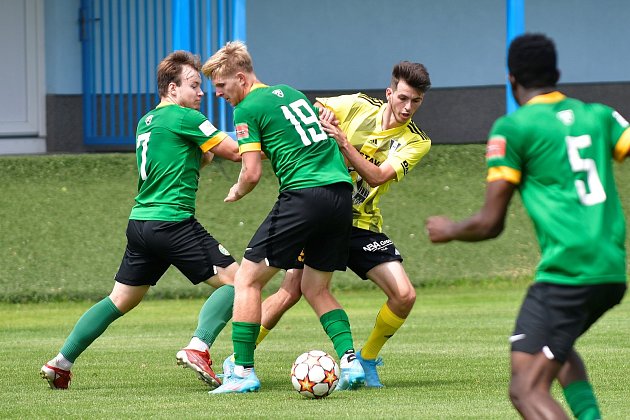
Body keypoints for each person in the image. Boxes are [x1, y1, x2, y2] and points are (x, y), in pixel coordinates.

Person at [426, 33, 628, 419]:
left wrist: (448, 229)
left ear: (511, 79)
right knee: (534, 354)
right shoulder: (598, 115)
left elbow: (490, 224)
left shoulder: (513, 128)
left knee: (525, 389)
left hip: (570, 272)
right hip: (608, 268)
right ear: (557, 73)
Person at [40, 50, 241, 390]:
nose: (202, 93)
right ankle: (198, 347)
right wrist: (279, 138)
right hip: (172, 222)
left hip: (141, 225)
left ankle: (61, 362)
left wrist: (202, 153)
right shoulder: (185, 118)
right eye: (194, 85)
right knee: (240, 283)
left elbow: (192, 159)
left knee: (120, 299)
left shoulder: (146, 121)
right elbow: (235, 152)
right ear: (172, 89)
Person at [235, 61, 432, 388]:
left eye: (416, 101)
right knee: (290, 290)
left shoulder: (416, 141)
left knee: (404, 295)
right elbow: (307, 112)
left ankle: (366, 359)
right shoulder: (357, 104)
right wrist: (322, 117)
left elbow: (378, 175)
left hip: (361, 223)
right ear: (389, 93)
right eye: (403, 98)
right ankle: (239, 360)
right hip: (324, 210)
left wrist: (343, 143)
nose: (408, 107)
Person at [201, 40, 365, 394]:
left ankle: (242, 371)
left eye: (221, 86)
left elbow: (252, 172)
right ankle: (351, 364)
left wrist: (238, 191)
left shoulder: (246, 109)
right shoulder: (290, 92)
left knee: (247, 280)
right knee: (314, 287)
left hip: (304, 196)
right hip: (339, 194)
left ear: (240, 79)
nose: (218, 94)